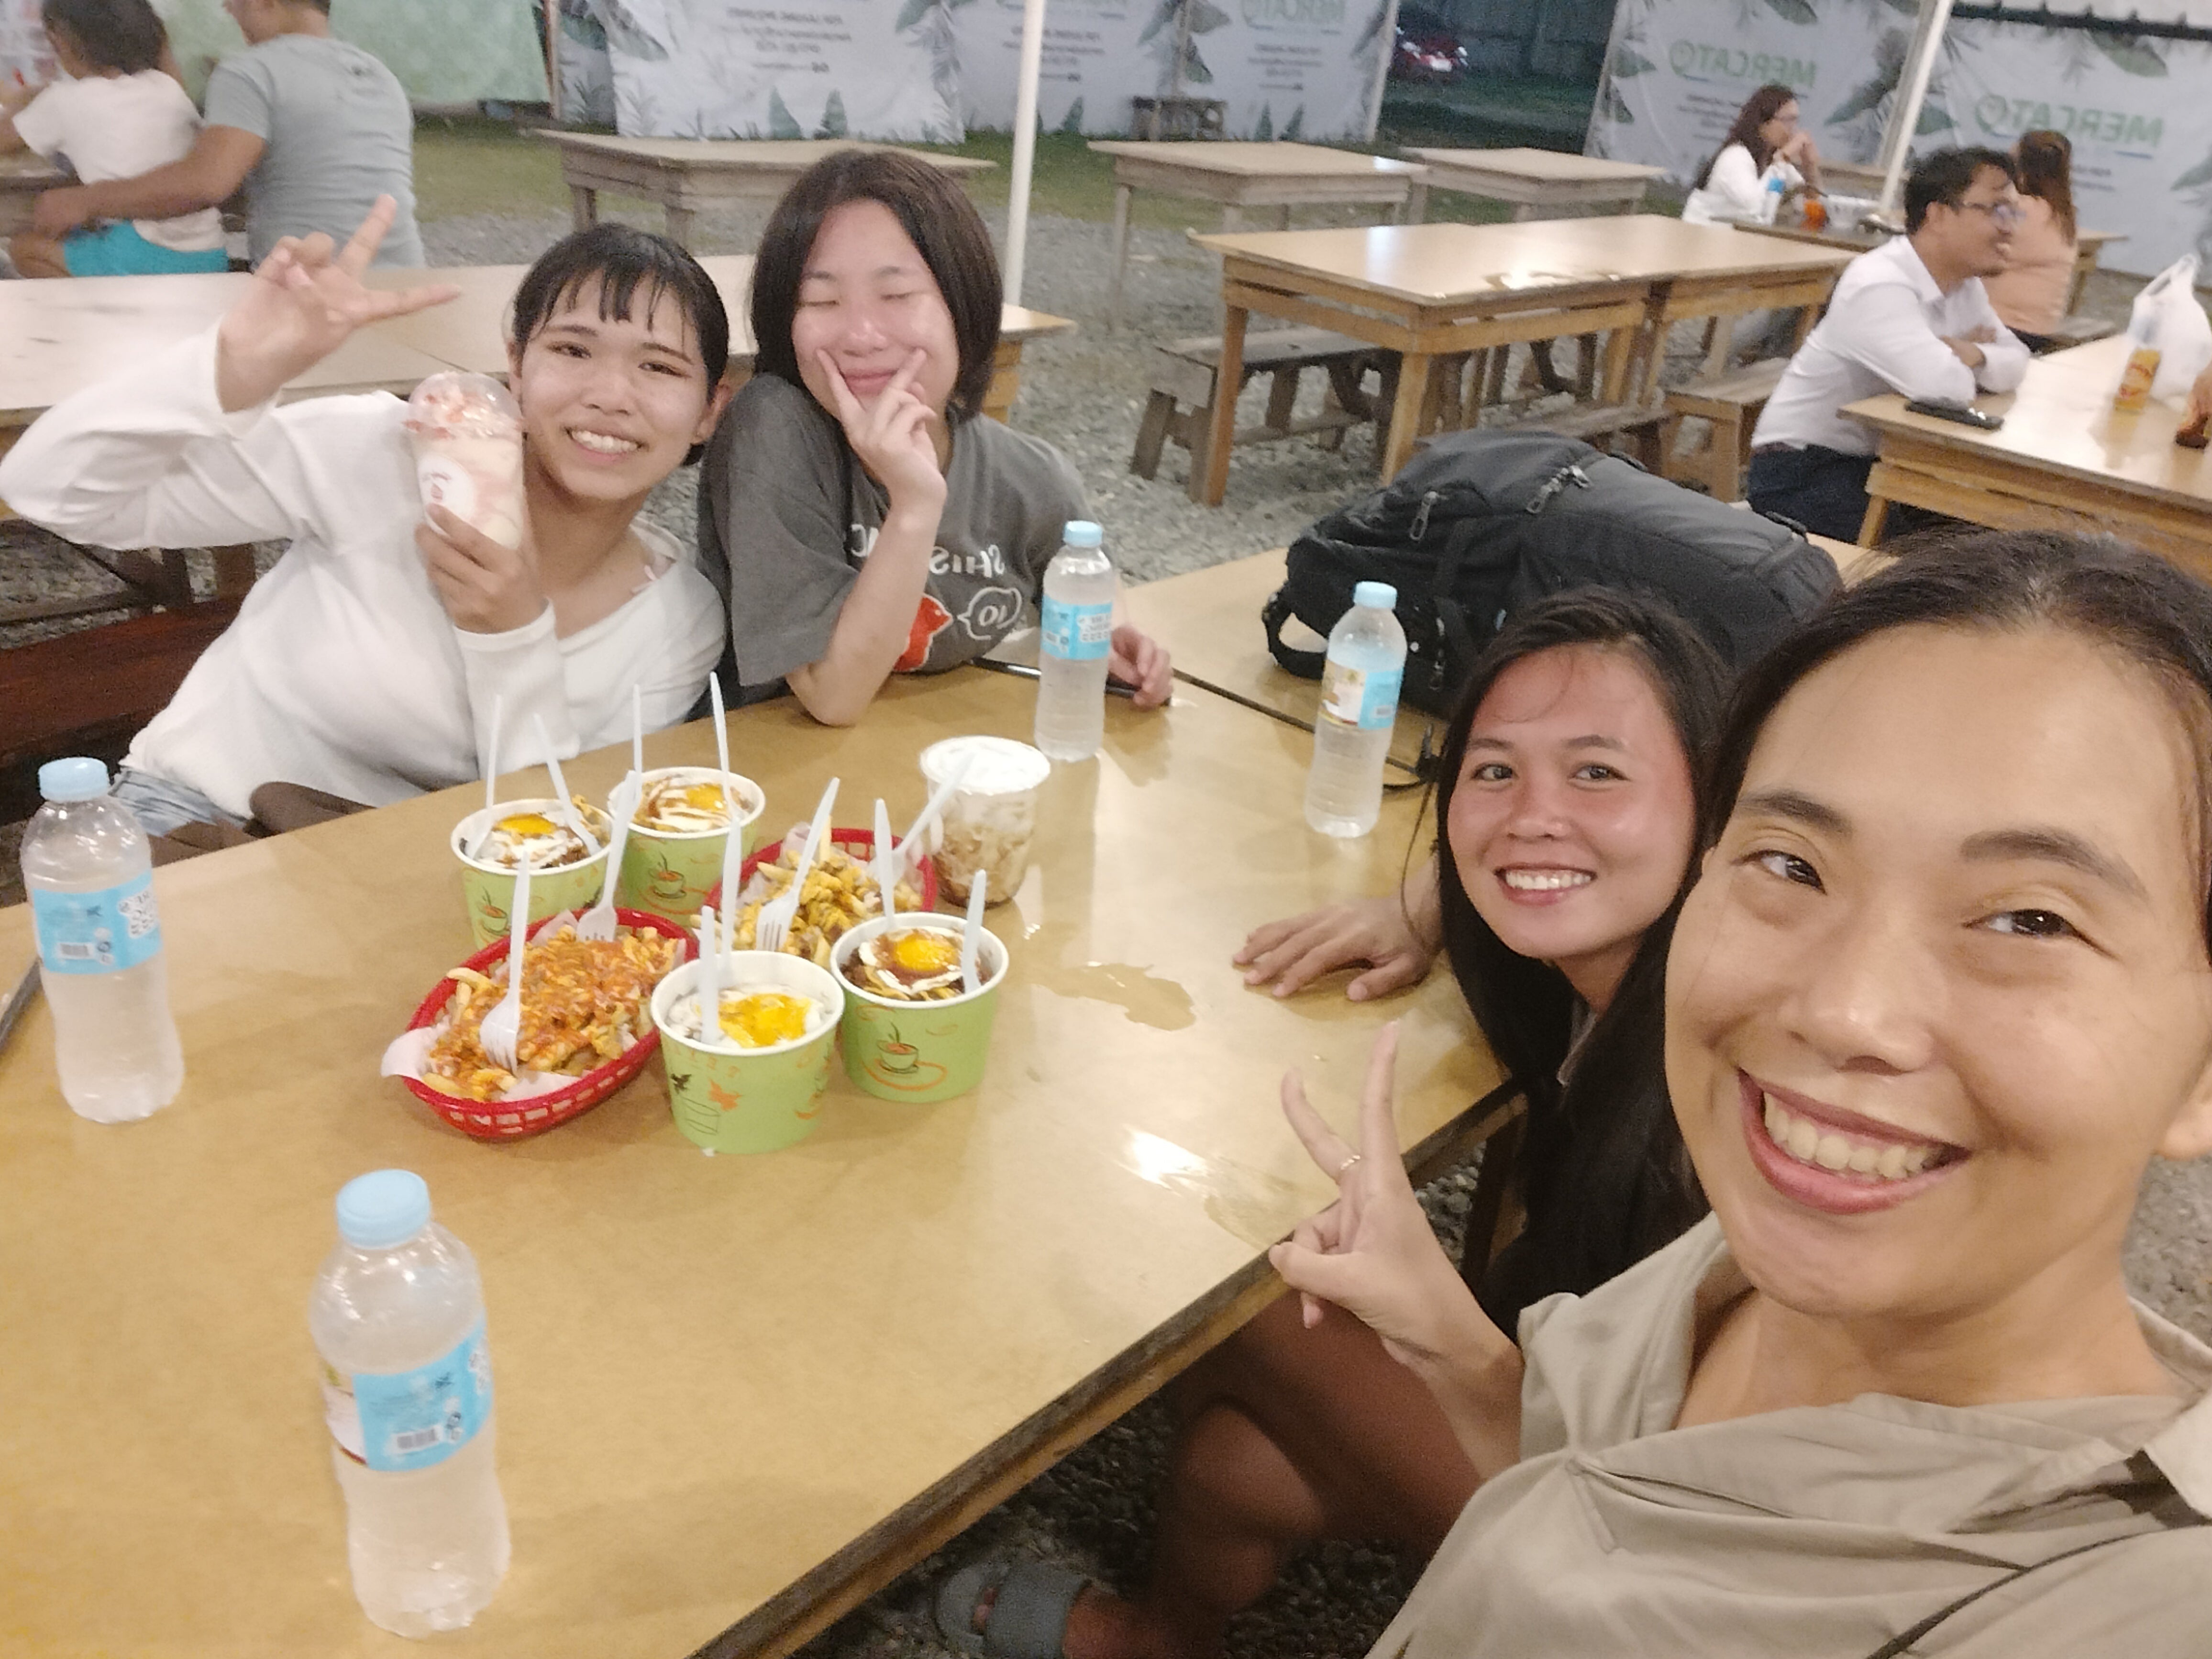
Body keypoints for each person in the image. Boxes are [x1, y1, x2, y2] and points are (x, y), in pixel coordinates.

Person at [1273, 529, 2212, 1657]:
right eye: (1790, 863)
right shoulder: (1727, 1257)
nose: (1843, 1011)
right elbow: (1583, 1502)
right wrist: (1444, 1337)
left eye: (2028, 920)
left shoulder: (2121, 1606)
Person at [937, 591, 1725, 1659]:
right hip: (1560, 1401)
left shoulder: (1728, 1096)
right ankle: (1164, 1639)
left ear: (1721, 802)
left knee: (1234, 1289)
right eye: (1493, 771)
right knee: (1233, 1461)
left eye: (1595, 772)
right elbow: (1500, 845)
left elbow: (1675, 1513)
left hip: (1627, 1553)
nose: (1533, 814)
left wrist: (1449, 1335)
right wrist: (1418, 907)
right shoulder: (1609, 979)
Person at [0, 202, 730, 844]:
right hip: (198, 815)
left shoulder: (678, 620)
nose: (610, 395)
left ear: (709, 411)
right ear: (516, 367)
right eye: (572, 350)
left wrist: (511, 633)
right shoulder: (386, 455)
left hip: (394, 872)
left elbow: (548, 838)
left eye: (659, 368)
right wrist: (230, 369)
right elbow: (53, 491)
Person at [699, 149, 1171, 725]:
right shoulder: (773, 433)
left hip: (934, 755)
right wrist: (915, 505)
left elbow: (1082, 562)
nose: (862, 336)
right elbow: (832, 696)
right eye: (821, 301)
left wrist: (1114, 633)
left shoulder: (1023, 473)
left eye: (897, 296)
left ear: (963, 304)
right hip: (773, 765)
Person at [1747, 146, 2030, 543]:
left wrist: (1971, 353)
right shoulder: (1879, 282)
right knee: (1940, 559)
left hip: (1886, 460)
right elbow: (1945, 388)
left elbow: (2018, 360)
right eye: (1997, 210)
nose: (2010, 228)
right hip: (1803, 468)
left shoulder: (1965, 287)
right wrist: (1964, 365)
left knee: (1994, 536)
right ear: (1938, 215)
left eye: (2014, 213)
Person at [31, 0, 424, 271]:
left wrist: (84, 200)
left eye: (234, 1)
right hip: (406, 275)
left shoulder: (252, 72)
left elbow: (206, 184)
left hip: (308, 288)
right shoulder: (380, 76)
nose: (227, 8)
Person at [0, 0, 226, 277]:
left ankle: (104, 301)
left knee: (25, 248)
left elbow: (5, 140)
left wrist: (20, 103)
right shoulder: (167, 85)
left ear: (58, 41)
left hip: (145, 251)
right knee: (82, 232)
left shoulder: (62, 99)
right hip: (210, 253)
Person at [1984, 130, 2079, 351]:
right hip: (2040, 327)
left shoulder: (2016, 209)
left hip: (2002, 324)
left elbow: (1964, 246)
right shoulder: (2063, 215)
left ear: (2022, 170)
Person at [1680, 83, 1821, 227]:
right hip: (1704, 235)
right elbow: (1753, 209)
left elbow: (1810, 205)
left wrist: (1810, 167)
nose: (1793, 129)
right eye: (1787, 121)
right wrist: (1784, 157)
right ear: (1763, 123)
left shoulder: (1774, 163)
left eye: (1796, 121)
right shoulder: (1735, 157)